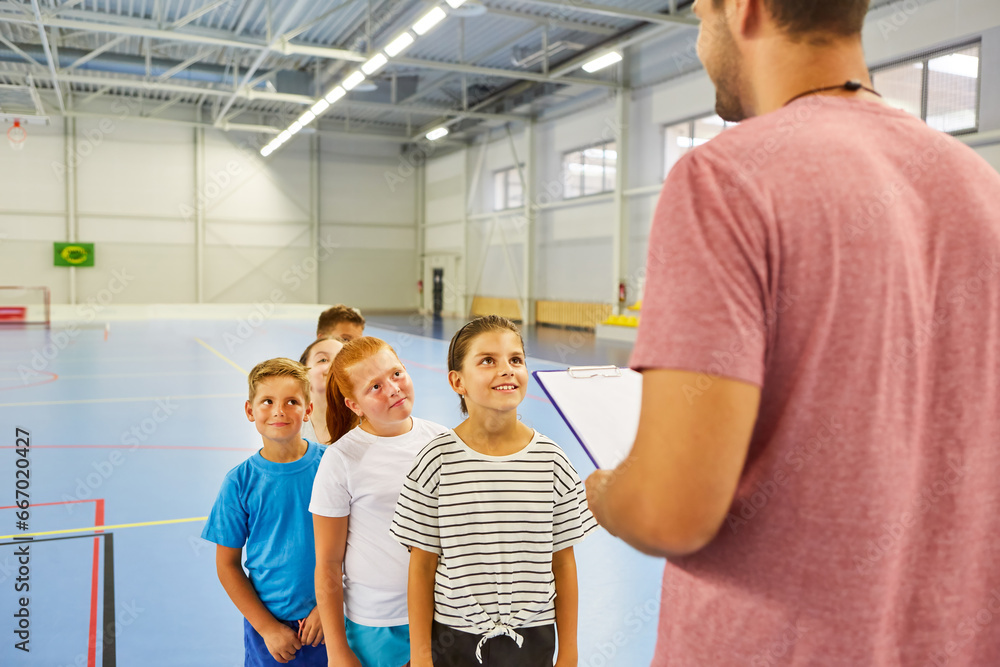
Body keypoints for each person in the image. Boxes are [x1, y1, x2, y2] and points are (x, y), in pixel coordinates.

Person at [585, 0, 1000, 665]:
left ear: (744, 10)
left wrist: (607, 492)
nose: (700, 43)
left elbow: (669, 510)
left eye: (702, 18)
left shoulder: (726, 181)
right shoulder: (982, 188)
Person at [392, 315, 597, 667]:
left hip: (533, 637)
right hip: (453, 638)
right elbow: (422, 566)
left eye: (515, 359)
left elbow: (563, 563)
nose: (506, 370)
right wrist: (421, 655)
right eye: (488, 360)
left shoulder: (552, 461)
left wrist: (569, 653)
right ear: (457, 381)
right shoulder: (434, 461)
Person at [310, 337, 447, 667]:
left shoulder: (443, 441)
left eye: (396, 374)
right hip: (378, 625)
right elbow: (328, 564)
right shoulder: (341, 459)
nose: (393, 389)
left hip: (442, 615)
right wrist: (337, 651)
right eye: (375, 387)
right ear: (354, 405)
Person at [202, 358, 326, 666]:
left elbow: (356, 545)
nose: (279, 411)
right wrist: (268, 628)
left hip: (332, 619)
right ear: (250, 410)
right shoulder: (239, 482)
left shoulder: (331, 466)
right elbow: (227, 565)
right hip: (270, 630)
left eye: (291, 401)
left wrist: (329, 606)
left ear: (308, 410)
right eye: (268, 401)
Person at [299, 336, 344, 444]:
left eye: (342, 360)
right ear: (304, 374)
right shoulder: (292, 426)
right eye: (323, 360)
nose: (334, 365)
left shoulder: (367, 423)